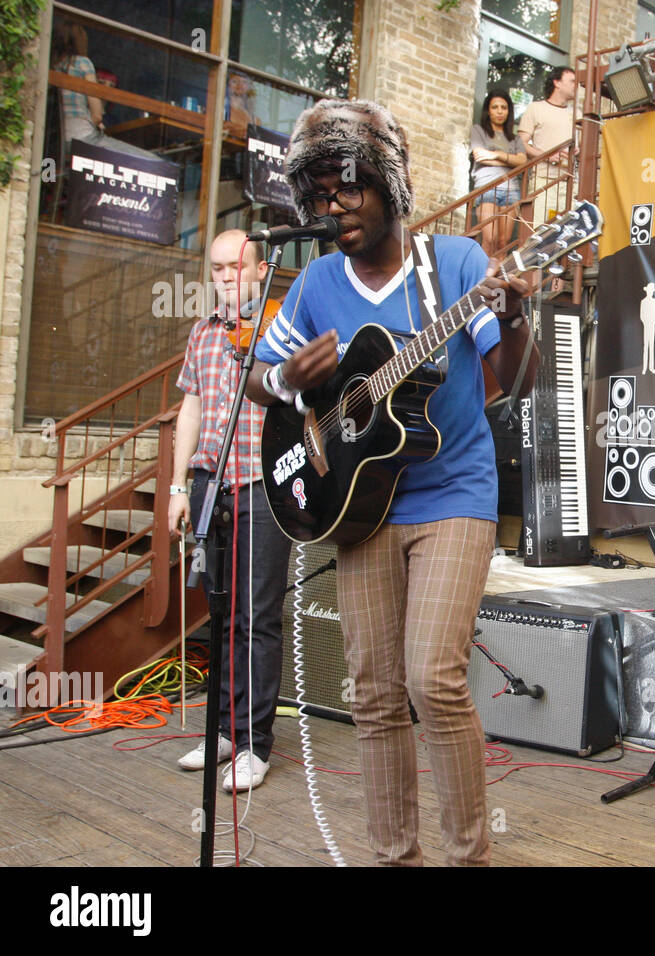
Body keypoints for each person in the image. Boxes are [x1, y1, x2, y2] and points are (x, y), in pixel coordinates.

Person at [247, 99, 538, 866]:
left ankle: (468, 854)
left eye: (348, 188)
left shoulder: (459, 266)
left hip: (454, 497)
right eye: (317, 196)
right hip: (357, 505)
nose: (332, 207)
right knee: (373, 694)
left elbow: (512, 380)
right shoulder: (313, 285)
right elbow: (258, 382)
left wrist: (514, 317)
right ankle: (391, 857)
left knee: (431, 678)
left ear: (390, 184)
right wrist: (283, 382)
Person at [171, 229, 291, 793]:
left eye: (234, 267)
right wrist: (178, 485)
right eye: (216, 268)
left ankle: (254, 744)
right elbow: (190, 407)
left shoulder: (282, 328)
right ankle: (221, 729)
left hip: (264, 486)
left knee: (257, 615)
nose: (224, 277)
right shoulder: (201, 333)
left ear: (260, 269)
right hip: (209, 483)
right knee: (219, 613)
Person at [50, 19, 155, 160]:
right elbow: (97, 115)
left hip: (57, 143)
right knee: (148, 159)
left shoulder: (51, 67)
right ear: (80, 41)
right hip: (82, 138)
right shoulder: (82, 63)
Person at [517, 66, 577, 224]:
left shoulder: (576, 113)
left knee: (567, 236)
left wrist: (578, 150)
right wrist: (546, 155)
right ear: (557, 83)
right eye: (572, 81)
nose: (575, 85)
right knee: (538, 233)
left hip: (570, 182)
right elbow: (520, 143)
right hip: (544, 181)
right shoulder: (536, 108)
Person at [470, 90, 526, 256]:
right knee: (490, 238)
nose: (500, 111)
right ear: (488, 111)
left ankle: (499, 281)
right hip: (487, 187)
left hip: (511, 190)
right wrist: (509, 160)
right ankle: (483, 280)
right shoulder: (479, 130)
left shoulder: (514, 139)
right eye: (495, 107)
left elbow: (522, 161)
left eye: (504, 107)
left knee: (503, 242)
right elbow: (479, 156)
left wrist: (495, 154)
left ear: (509, 111)